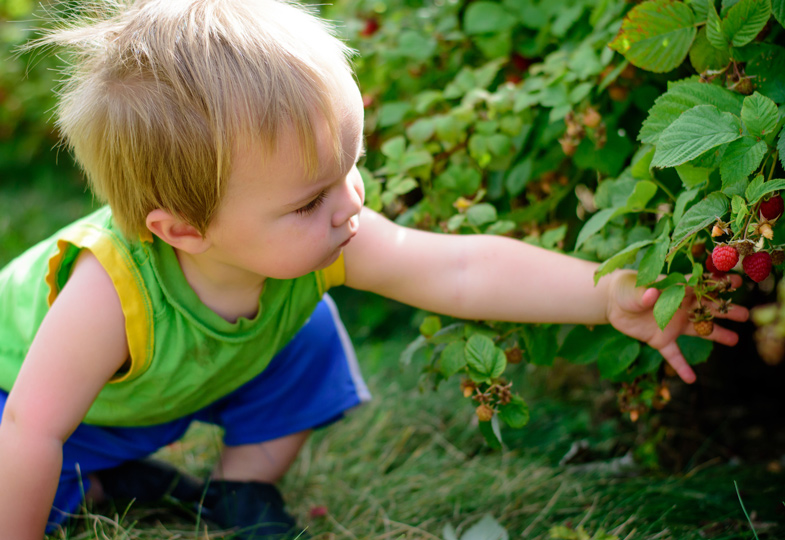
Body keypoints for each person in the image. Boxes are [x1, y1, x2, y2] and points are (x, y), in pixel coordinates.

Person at [0, 0, 749, 538]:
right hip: (27, 403)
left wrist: (607, 293)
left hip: (167, 387)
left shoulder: (328, 240)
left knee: (308, 333)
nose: (349, 206)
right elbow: (29, 429)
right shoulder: (105, 293)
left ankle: (243, 487)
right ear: (183, 231)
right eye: (307, 201)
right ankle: (101, 478)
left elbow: (459, 269)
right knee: (32, 483)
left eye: (350, 167)